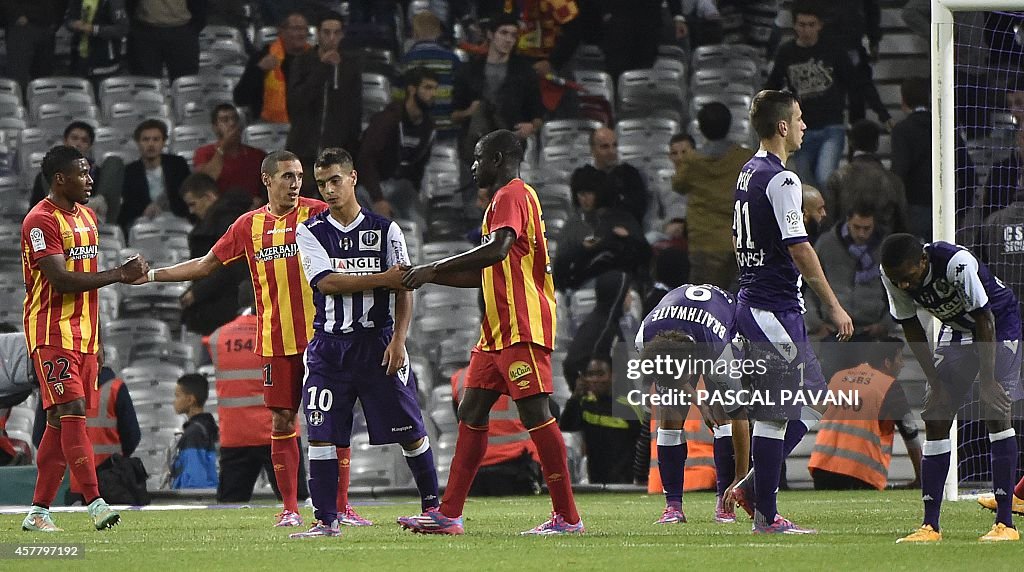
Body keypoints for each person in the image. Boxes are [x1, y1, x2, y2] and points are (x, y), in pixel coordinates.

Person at [140, 150, 338, 528]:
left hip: (321, 338)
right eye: (286, 177)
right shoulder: (249, 226)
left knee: (330, 423)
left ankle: (340, 506)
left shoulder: (317, 214)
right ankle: (291, 509)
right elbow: (205, 265)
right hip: (276, 340)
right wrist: (152, 276)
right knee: (281, 421)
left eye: (298, 176)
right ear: (266, 180)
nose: (295, 184)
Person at [399, 129, 583, 535]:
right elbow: (488, 271)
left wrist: (434, 267)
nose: (473, 166)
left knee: (536, 413)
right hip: (496, 331)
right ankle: (449, 514)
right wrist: (428, 278)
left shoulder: (512, 195)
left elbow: (497, 250)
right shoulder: (504, 203)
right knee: (471, 411)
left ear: (499, 159)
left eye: (479, 158)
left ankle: (568, 518)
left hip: (521, 324)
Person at [288, 147, 439, 539]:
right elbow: (326, 282)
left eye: (335, 180)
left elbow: (405, 288)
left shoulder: (386, 230)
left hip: (378, 344)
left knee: (411, 431)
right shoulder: (309, 231)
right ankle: (326, 521)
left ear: (353, 178)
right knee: (320, 432)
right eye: (321, 184)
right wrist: (384, 279)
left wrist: (400, 340)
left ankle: (433, 509)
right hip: (329, 348)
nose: (328, 190)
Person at [728, 90, 854, 534]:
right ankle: (765, 514)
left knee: (813, 403)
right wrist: (835, 306)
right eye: (799, 119)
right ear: (782, 126)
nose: (803, 126)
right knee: (775, 412)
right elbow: (799, 248)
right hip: (771, 309)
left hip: (768, 306)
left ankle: (751, 487)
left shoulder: (747, 172)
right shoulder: (782, 181)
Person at [20, 144, 148, 532]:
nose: (90, 180)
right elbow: (60, 278)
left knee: (60, 421)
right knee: (72, 408)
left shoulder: (89, 217)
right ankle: (94, 501)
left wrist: (99, 335)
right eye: (83, 173)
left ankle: (39, 511)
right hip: (50, 331)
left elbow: (87, 282)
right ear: (61, 178)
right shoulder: (40, 220)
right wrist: (119, 274)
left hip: (85, 334)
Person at [880, 233, 1022, 543]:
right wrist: (934, 382)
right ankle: (930, 526)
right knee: (936, 413)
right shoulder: (891, 273)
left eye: (908, 277)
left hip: (997, 323)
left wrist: (986, 381)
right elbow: (911, 325)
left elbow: (984, 318)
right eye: (897, 280)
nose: (904, 285)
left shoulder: (956, 264)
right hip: (957, 329)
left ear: (923, 261)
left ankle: (1005, 524)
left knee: (996, 408)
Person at [634, 283, 750, 525]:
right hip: (683, 325)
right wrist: (699, 402)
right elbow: (674, 377)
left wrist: (741, 478)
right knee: (669, 418)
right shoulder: (644, 339)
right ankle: (673, 506)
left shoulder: (718, 353)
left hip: (724, 319)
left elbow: (741, 416)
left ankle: (725, 500)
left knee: (723, 416)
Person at [764, 1, 892, 188]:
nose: (806, 30)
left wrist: (883, 113)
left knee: (825, 178)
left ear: (820, 26)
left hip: (831, 126)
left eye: (811, 25)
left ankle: (830, 215)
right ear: (794, 26)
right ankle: (822, 216)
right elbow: (772, 85)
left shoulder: (834, 51)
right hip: (802, 128)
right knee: (807, 184)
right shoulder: (786, 52)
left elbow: (858, 83)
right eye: (802, 25)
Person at [206, 285, 308, 504]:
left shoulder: (217, 337)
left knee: (229, 507)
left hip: (235, 435)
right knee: (295, 503)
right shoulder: (281, 333)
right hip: (280, 429)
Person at [808, 337, 923, 491]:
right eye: (899, 358)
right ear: (887, 362)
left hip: (822, 466)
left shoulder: (839, 377)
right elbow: (910, 431)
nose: (902, 364)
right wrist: (922, 477)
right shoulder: (889, 386)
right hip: (859, 471)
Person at [673, 102, 752, 290]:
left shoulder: (691, 161)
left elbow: (678, 185)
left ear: (700, 128)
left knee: (706, 306)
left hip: (704, 244)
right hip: (739, 243)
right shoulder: (745, 157)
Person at [806, 203, 892, 372]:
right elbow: (810, 284)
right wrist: (816, 322)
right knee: (830, 389)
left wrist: (885, 324)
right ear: (848, 222)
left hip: (870, 332)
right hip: (833, 331)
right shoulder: (827, 243)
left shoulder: (884, 247)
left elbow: (895, 291)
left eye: (867, 228)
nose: (862, 233)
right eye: (857, 227)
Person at [286, 11, 363, 196]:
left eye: (336, 33)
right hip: (303, 149)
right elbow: (296, 103)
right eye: (327, 32)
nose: (331, 38)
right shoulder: (302, 62)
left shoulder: (350, 67)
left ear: (342, 35)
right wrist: (321, 68)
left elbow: (355, 111)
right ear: (318, 33)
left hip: (336, 154)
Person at [451, 14, 544, 163]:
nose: (508, 40)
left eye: (513, 35)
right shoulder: (469, 71)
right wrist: (469, 112)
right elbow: (454, 115)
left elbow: (538, 114)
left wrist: (530, 127)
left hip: (510, 148)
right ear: (490, 34)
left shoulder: (525, 72)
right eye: (503, 33)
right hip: (474, 150)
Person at [356, 66, 439, 220]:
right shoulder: (387, 120)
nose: (433, 94)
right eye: (427, 88)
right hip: (373, 187)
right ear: (412, 89)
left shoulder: (428, 127)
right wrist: (378, 199)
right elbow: (366, 159)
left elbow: (419, 168)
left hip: (403, 188)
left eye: (435, 89)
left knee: (419, 224)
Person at [450, 365, 543, 496]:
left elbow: (462, 418)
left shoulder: (460, 377)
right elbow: (545, 415)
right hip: (517, 465)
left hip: (475, 465)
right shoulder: (523, 371)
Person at [178, 174, 251, 336]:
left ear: (209, 197)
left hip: (222, 307)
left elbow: (228, 265)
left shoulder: (226, 223)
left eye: (193, 204)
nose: (191, 211)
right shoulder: (222, 221)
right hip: (219, 302)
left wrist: (197, 292)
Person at [559, 355, 642, 484]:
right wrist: (575, 395)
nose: (595, 380)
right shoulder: (585, 404)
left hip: (624, 483)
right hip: (595, 481)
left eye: (600, 374)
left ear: (612, 376)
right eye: (590, 375)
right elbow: (565, 426)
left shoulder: (628, 407)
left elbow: (643, 442)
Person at [824, 119, 907, 234]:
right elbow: (902, 224)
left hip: (845, 246)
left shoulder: (837, 178)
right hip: (883, 246)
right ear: (877, 144)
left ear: (851, 142)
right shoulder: (893, 180)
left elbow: (829, 221)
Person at [31, 121, 125, 222]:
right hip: (61, 223)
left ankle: (93, 205)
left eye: (84, 141)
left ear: (89, 147)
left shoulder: (100, 175)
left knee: (114, 161)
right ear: (65, 142)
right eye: (74, 138)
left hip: (99, 220)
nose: (78, 144)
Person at [233, 11, 311, 124]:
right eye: (296, 29)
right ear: (281, 32)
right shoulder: (262, 57)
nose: (301, 34)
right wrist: (259, 70)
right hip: (268, 126)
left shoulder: (316, 59)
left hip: (308, 125)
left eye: (304, 29)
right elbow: (240, 98)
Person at [118, 119, 191, 235]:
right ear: (138, 142)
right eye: (146, 140)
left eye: (156, 139)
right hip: (142, 222)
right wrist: (144, 209)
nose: (151, 144)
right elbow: (128, 204)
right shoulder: (129, 171)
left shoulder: (178, 164)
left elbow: (187, 195)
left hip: (176, 219)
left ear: (164, 142)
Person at [401, 10, 462, 139]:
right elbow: (461, 94)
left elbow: (399, 97)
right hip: (446, 129)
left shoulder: (406, 61)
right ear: (439, 32)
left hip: (415, 130)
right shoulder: (452, 59)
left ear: (414, 33)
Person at [572, 127, 649, 227]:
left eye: (614, 145)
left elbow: (636, 209)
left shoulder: (630, 174)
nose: (612, 151)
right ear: (592, 150)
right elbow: (582, 211)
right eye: (605, 147)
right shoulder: (581, 176)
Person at [192, 104, 267, 202]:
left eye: (235, 119)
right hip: (220, 212)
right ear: (215, 127)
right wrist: (222, 147)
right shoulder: (204, 153)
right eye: (225, 120)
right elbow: (205, 182)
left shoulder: (258, 155)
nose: (232, 123)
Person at [128, 0, 205, 82]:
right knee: (145, 86)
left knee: (184, 85)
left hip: (182, 31)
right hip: (145, 32)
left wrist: (192, 29)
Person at [169, 374, 218, 489]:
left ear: (190, 400)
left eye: (177, 396)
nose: (174, 401)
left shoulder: (194, 433)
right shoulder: (207, 427)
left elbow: (195, 479)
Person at [64, 0, 129, 84]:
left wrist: (94, 29)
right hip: (79, 61)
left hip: (104, 65)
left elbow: (122, 29)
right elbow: (68, 19)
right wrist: (73, 24)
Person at [4, 1, 63, 93]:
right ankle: (17, 106)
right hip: (21, 28)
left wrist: (57, 19)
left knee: (44, 82)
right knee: (18, 81)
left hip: (48, 27)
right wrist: (15, 14)